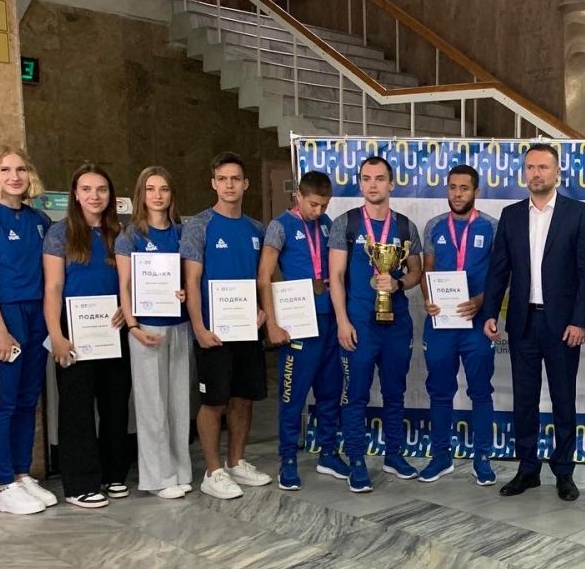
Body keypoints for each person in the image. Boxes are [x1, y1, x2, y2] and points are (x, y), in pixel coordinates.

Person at [480, 143, 585, 502]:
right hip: (523, 322)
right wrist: (490, 312)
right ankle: (527, 469)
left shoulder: (578, 213)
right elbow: (499, 269)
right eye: (530, 167)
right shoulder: (511, 215)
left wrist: (580, 321)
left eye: (543, 167)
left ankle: (564, 472)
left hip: (563, 326)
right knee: (524, 400)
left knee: (563, 400)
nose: (536, 173)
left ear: (557, 172)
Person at [0, 145, 56, 515]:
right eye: (5, 170)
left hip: (35, 316)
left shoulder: (39, 220)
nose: (14, 177)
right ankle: (2, 485)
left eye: (20, 169)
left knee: (26, 400)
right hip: (1, 319)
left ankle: (20, 474)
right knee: (0, 403)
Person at [328, 155, 423, 492]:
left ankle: (393, 455)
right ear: (359, 183)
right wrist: (342, 321)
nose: (373, 185)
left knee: (395, 392)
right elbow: (335, 277)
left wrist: (398, 283)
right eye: (366, 179)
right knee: (355, 395)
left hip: (396, 323)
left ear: (391, 183)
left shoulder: (405, 227)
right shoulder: (346, 223)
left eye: (380, 178)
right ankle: (356, 460)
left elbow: (416, 271)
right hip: (359, 323)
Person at [181, 152, 271, 500]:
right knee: (214, 402)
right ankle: (213, 471)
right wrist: (199, 328)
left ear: (245, 184)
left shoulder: (256, 228)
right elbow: (191, 281)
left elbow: (262, 279)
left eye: (235, 179)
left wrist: (263, 311)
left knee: (243, 399)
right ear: (213, 183)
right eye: (223, 179)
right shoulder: (199, 225)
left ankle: (235, 462)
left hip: (247, 330)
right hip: (213, 333)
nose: (229, 185)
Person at [42, 164, 130, 509]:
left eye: (102, 189)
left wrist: (126, 307)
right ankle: (80, 483)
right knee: (76, 407)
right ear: (75, 195)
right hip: (73, 329)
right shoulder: (59, 233)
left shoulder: (119, 233)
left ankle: (113, 474)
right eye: (87, 189)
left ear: (111, 195)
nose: (95, 196)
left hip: (113, 327)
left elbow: (129, 281)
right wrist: (56, 334)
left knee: (115, 404)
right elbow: (53, 287)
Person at [259, 170, 348, 491]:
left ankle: (328, 453)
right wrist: (272, 323)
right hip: (297, 322)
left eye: (324, 205)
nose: (318, 210)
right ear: (298, 196)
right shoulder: (280, 226)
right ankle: (287, 460)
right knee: (292, 396)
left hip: (328, 320)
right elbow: (264, 276)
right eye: (313, 204)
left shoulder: (327, 224)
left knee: (330, 391)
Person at [419, 164, 499, 486]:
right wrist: (427, 298)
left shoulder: (491, 227)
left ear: (476, 191)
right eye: (452, 187)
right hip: (440, 323)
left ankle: (482, 458)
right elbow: (427, 270)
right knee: (440, 391)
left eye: (464, 188)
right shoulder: (434, 226)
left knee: (480, 391)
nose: (457, 193)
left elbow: (501, 275)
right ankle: (441, 456)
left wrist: (481, 301)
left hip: (476, 322)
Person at [116, 166, 192, 500]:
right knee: (151, 405)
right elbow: (125, 286)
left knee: (178, 403)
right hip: (146, 327)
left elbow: (187, 278)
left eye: (164, 189)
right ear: (141, 195)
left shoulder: (182, 233)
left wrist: (183, 293)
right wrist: (132, 326)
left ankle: (180, 470)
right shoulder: (130, 235)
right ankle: (158, 477)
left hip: (179, 324)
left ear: (172, 194)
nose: (157, 195)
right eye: (150, 189)